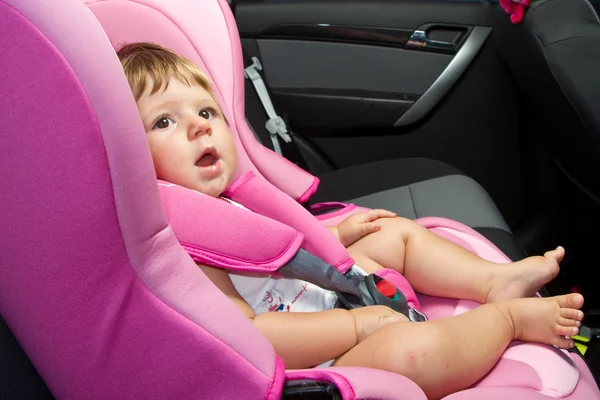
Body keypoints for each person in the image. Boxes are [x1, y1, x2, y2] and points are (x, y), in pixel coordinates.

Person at [118, 42, 584, 400]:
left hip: (325, 293)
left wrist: (337, 237)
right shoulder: (186, 246)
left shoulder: (223, 202)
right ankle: (506, 319)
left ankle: (493, 282)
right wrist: (357, 329)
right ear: (130, 157)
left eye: (206, 112)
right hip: (325, 352)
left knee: (392, 233)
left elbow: (281, 249)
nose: (199, 126)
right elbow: (251, 339)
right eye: (164, 122)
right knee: (410, 354)